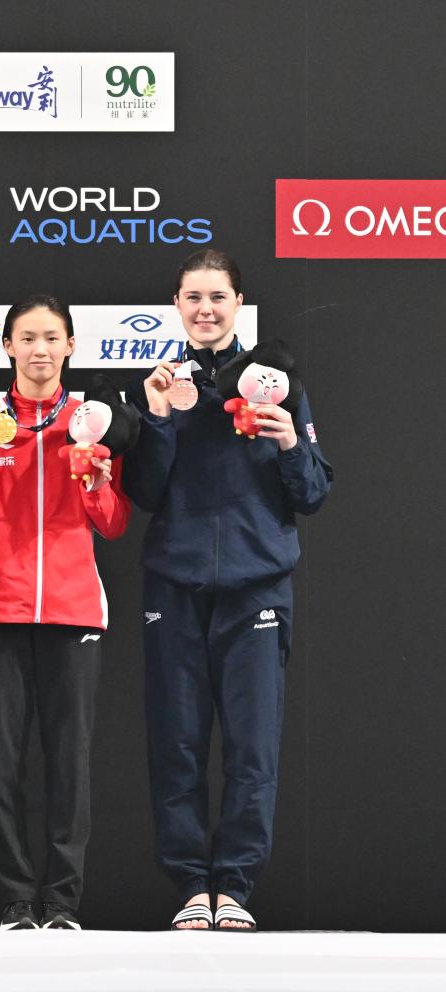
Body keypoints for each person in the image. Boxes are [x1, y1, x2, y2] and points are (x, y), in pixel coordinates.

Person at [122, 250, 333, 931]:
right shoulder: (157, 385)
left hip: (257, 588)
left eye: (218, 297)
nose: (205, 309)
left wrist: (290, 443)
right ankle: (191, 884)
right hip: (174, 586)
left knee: (252, 746)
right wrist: (157, 418)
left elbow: (313, 493)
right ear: (177, 306)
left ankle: (235, 886)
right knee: (177, 743)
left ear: (239, 303)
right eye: (193, 297)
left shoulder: (278, 386)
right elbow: (142, 492)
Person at [0, 296, 131, 931]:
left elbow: (112, 524)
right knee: (2, 765)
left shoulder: (91, 421)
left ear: (70, 346)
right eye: (27, 337)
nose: (39, 349)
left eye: (51, 337)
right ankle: (13, 899)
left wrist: (98, 484)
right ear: (7, 346)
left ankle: (61, 902)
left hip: (72, 609)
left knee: (69, 763)